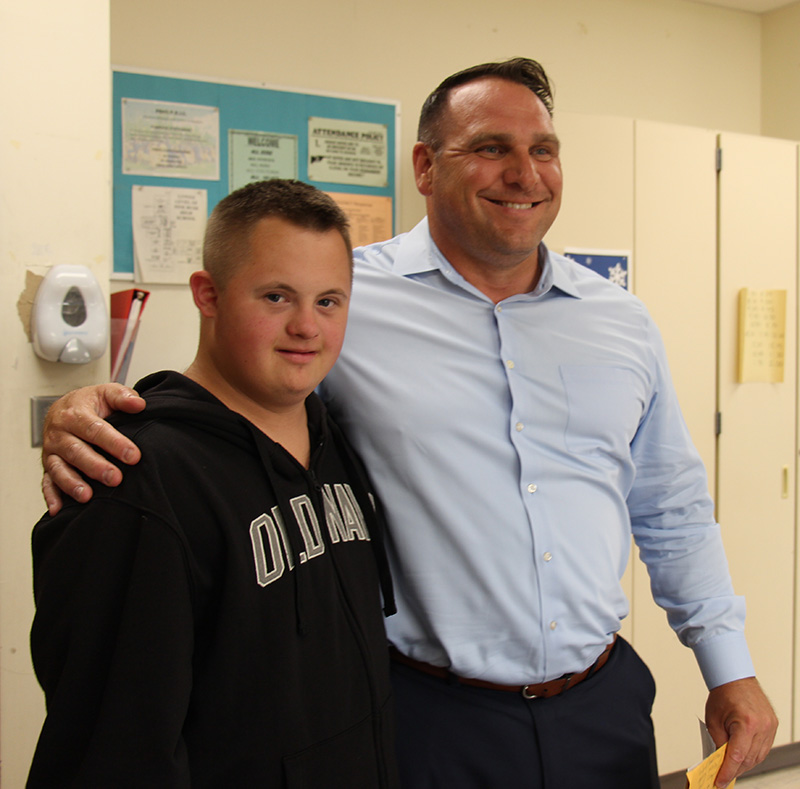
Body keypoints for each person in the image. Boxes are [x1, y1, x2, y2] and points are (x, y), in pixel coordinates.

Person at [41, 59, 777, 789]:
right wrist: (89, 409)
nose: (524, 173)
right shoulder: (348, 297)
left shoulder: (623, 322)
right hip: (429, 717)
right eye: (491, 147)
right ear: (425, 165)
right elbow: (237, 387)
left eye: (543, 149)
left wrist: (728, 663)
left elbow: (671, 506)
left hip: (602, 704)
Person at [29, 180, 399, 788]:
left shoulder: (334, 437)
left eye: (329, 301)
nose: (307, 327)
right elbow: (113, 752)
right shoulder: (133, 481)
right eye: (276, 297)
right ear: (209, 295)